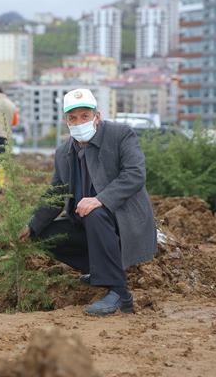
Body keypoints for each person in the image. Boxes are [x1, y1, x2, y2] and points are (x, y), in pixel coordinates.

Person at [18, 88, 157, 316]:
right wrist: (31, 225)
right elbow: (55, 194)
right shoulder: (64, 152)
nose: (79, 122)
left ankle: (119, 293)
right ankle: (98, 268)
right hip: (89, 225)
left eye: (85, 116)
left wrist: (100, 199)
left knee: (93, 212)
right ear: (66, 121)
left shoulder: (120, 135)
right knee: (44, 233)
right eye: (73, 118)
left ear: (97, 116)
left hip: (123, 222)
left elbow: (135, 174)